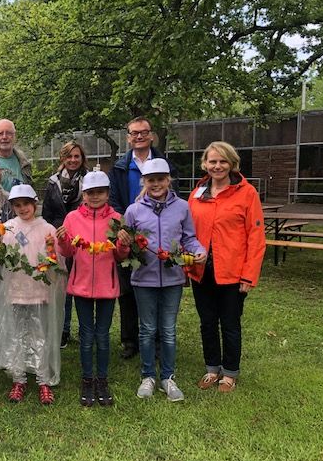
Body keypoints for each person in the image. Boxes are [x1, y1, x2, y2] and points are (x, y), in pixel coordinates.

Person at [122, 159, 207, 402]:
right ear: (144, 182)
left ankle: (168, 377)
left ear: (168, 180)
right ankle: (147, 376)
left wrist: (198, 250)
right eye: (151, 180)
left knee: (168, 330)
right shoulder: (133, 210)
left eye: (161, 179)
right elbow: (125, 243)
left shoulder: (181, 207)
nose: (156, 184)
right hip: (143, 279)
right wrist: (124, 244)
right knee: (147, 330)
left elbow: (189, 238)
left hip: (172, 278)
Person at [188, 141, 266, 393]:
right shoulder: (197, 192)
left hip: (232, 271)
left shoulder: (247, 193)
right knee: (207, 322)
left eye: (223, 161)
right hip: (202, 271)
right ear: (205, 164)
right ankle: (212, 368)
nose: (217, 166)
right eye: (212, 161)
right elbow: (187, 231)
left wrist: (249, 274)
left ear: (232, 163)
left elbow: (256, 236)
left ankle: (229, 373)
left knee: (230, 323)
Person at [56, 171, 130, 407]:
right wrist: (62, 240)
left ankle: (102, 379)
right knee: (87, 336)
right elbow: (68, 253)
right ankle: (88, 379)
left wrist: (124, 244)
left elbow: (119, 256)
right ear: (83, 195)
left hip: (107, 286)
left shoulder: (117, 218)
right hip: (81, 285)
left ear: (108, 193)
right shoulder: (72, 218)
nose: (95, 196)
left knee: (103, 336)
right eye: (90, 192)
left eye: (100, 192)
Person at [109, 116, 179, 360]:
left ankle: (159, 340)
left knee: (158, 289)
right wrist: (125, 227)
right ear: (128, 137)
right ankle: (130, 341)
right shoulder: (119, 167)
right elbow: (114, 200)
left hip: (157, 235)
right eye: (134, 133)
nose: (139, 136)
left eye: (143, 132)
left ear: (151, 136)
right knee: (127, 290)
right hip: (129, 234)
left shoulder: (164, 164)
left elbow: (173, 195)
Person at [0, 184, 65, 405]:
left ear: (35, 204)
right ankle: (19, 378)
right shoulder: (8, 228)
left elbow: (57, 260)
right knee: (17, 336)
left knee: (40, 335)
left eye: (26, 204)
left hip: (39, 291)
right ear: (12, 206)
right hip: (16, 290)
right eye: (17, 205)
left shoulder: (47, 229)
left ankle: (43, 380)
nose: (23, 208)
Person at [42, 141, 89, 349]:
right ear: (63, 158)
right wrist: (56, 233)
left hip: (85, 241)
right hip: (60, 240)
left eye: (76, 156)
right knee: (63, 286)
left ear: (82, 158)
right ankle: (63, 330)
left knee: (83, 286)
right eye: (69, 156)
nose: (73, 160)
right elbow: (47, 214)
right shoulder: (53, 183)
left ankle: (86, 329)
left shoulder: (89, 181)